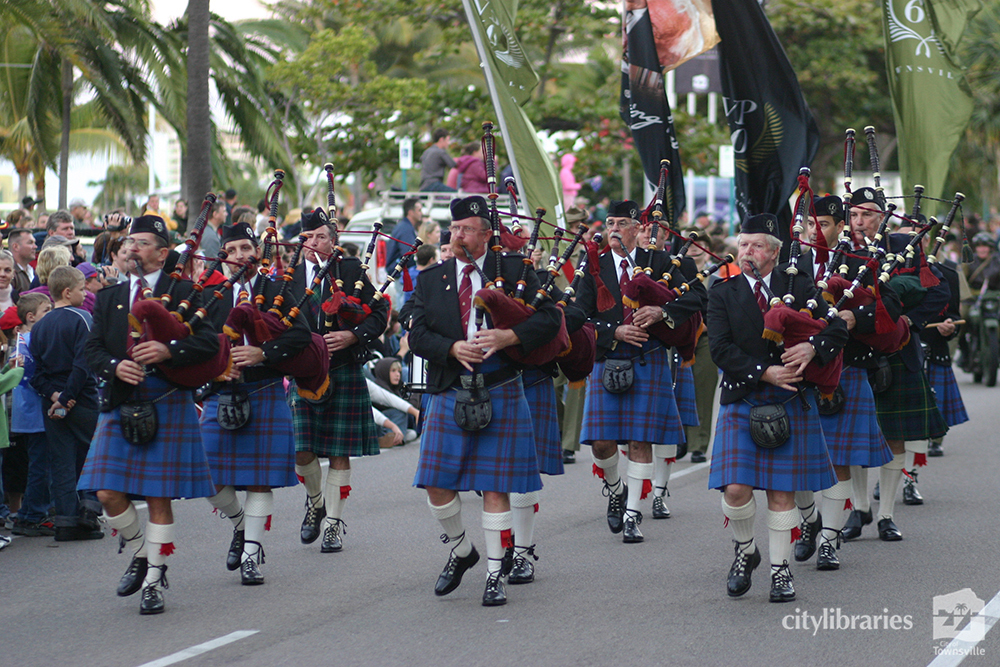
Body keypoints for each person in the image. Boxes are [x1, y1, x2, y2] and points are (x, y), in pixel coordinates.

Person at [408, 195, 561, 606]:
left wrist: (511, 336)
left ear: (486, 234)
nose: (458, 235)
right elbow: (417, 334)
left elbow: (551, 319)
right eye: (454, 228)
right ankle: (462, 550)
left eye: (467, 229)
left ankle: (495, 575)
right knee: (435, 484)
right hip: (449, 387)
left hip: (501, 385)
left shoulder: (513, 270)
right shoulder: (431, 278)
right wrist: (451, 348)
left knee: (496, 487)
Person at [79, 215, 220, 615]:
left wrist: (169, 350)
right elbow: (92, 350)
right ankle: (142, 552)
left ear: (162, 253)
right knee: (106, 492)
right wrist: (114, 366)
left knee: (158, 495)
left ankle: (154, 581)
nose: (132, 249)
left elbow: (210, 345)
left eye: (141, 243)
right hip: (122, 398)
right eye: (129, 243)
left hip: (167, 396)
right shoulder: (109, 296)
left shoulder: (186, 292)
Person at [706, 213, 846, 603]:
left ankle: (780, 571)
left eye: (756, 246)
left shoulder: (799, 285)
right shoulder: (723, 291)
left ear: (773, 253)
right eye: (743, 244)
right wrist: (764, 372)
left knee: (781, 493)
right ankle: (745, 551)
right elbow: (720, 349)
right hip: (745, 394)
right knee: (735, 489)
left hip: (790, 399)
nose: (746, 251)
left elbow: (836, 328)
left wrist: (813, 348)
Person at [564, 200, 705, 544]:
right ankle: (616, 489)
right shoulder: (593, 264)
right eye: (609, 222)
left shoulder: (660, 262)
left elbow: (697, 296)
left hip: (648, 358)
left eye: (621, 223)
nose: (613, 229)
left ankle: (632, 514)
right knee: (601, 444)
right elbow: (580, 314)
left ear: (637, 228)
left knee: (641, 440)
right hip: (607, 359)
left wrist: (661, 312)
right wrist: (614, 331)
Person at [201, 222, 310, 585]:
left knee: (260, 482)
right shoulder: (210, 295)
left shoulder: (276, 289)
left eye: (246, 248)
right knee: (206, 473)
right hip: (221, 392)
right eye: (232, 250)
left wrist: (264, 353)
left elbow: (301, 335)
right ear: (223, 257)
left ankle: (251, 554)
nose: (240, 256)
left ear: (257, 252)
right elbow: (198, 342)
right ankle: (240, 524)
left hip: (264, 388)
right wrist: (219, 365)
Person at [792, 195, 895, 570]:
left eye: (822, 224)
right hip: (797, 373)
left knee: (838, 462)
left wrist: (856, 317)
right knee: (796, 460)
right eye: (810, 224)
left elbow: (890, 308)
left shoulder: (862, 261)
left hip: (845, 368)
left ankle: (829, 540)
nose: (814, 231)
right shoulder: (794, 263)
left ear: (840, 227)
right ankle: (809, 521)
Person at [844, 214, 950, 542]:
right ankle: (860, 508)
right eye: (854, 214)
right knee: (854, 437)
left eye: (868, 214)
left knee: (895, 437)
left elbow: (939, 289)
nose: (860, 221)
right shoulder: (842, 251)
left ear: (882, 216)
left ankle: (886, 515)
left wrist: (908, 321)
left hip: (898, 352)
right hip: (852, 354)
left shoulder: (905, 245)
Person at [288, 208, 388, 554]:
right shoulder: (289, 276)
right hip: (304, 373)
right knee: (301, 450)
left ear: (333, 241)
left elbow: (380, 313)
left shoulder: (351, 270)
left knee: (339, 452)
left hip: (343, 367)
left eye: (320, 237)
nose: (313, 243)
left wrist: (354, 336)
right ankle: (316, 502)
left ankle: (332, 524)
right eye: (307, 238)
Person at [27, 265, 102, 543]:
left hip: (53, 402)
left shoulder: (40, 326)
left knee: (61, 462)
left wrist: (55, 396)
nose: (85, 294)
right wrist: (68, 397)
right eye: (82, 289)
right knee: (92, 456)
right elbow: (83, 364)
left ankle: (66, 522)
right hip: (82, 399)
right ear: (68, 292)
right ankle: (89, 511)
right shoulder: (83, 318)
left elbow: (35, 374)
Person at [9, 293, 53, 537]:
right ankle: (34, 514)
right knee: (40, 467)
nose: (51, 314)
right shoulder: (27, 341)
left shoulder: (26, 339)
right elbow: (31, 376)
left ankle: (28, 513)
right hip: (34, 413)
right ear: (31, 317)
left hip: (32, 413)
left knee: (40, 465)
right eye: (46, 310)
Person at [385, 198, 423, 270]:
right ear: (411, 212)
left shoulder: (404, 226)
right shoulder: (405, 229)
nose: (421, 213)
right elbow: (408, 254)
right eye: (419, 210)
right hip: (399, 272)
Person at [8, 229, 38, 294]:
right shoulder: (9, 273)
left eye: (34, 243)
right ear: (16, 247)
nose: (35, 246)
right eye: (30, 243)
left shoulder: (33, 271)